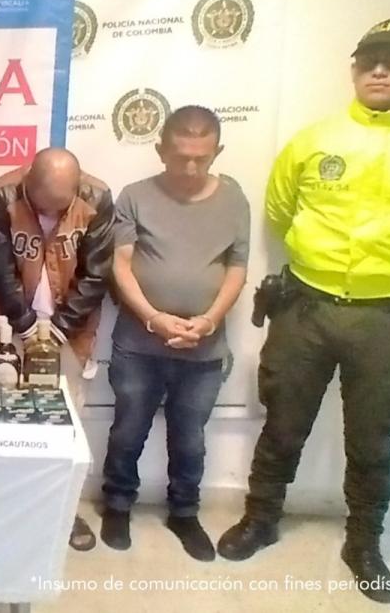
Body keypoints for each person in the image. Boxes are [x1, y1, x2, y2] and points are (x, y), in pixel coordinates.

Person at [217, 19, 390, 604]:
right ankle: (261, 519)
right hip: (307, 309)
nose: (379, 70)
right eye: (369, 60)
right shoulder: (314, 140)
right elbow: (281, 211)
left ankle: (364, 543)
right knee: (282, 425)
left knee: (373, 439)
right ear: (354, 68)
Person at [102, 106, 250, 561]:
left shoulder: (234, 200)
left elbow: (237, 267)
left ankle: (184, 513)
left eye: (201, 158)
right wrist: (153, 317)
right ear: (160, 149)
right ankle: (117, 505)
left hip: (204, 347)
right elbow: (121, 265)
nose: (190, 167)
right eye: (181, 156)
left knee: (190, 437)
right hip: (139, 342)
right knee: (128, 429)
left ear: (217, 152)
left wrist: (209, 321)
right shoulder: (134, 195)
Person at [0, 146, 115, 551]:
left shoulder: (97, 197)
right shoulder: (2, 194)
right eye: (42, 206)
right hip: (9, 322)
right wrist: (25, 324)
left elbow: (97, 272)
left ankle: (64, 509)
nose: (51, 214)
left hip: (71, 329)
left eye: (61, 206)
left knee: (65, 422)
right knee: (2, 415)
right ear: (28, 182)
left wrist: (60, 326)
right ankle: (5, 508)